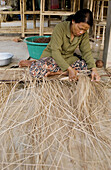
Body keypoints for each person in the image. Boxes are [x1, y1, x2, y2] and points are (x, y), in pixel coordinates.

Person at [19, 9, 100, 81]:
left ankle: (56, 72)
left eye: (85, 30)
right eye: (80, 28)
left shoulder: (83, 34)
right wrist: (69, 69)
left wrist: (94, 69)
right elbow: (55, 52)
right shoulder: (60, 28)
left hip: (68, 59)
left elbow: (86, 52)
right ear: (73, 21)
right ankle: (35, 64)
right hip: (52, 58)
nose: (81, 32)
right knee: (35, 71)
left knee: (86, 68)